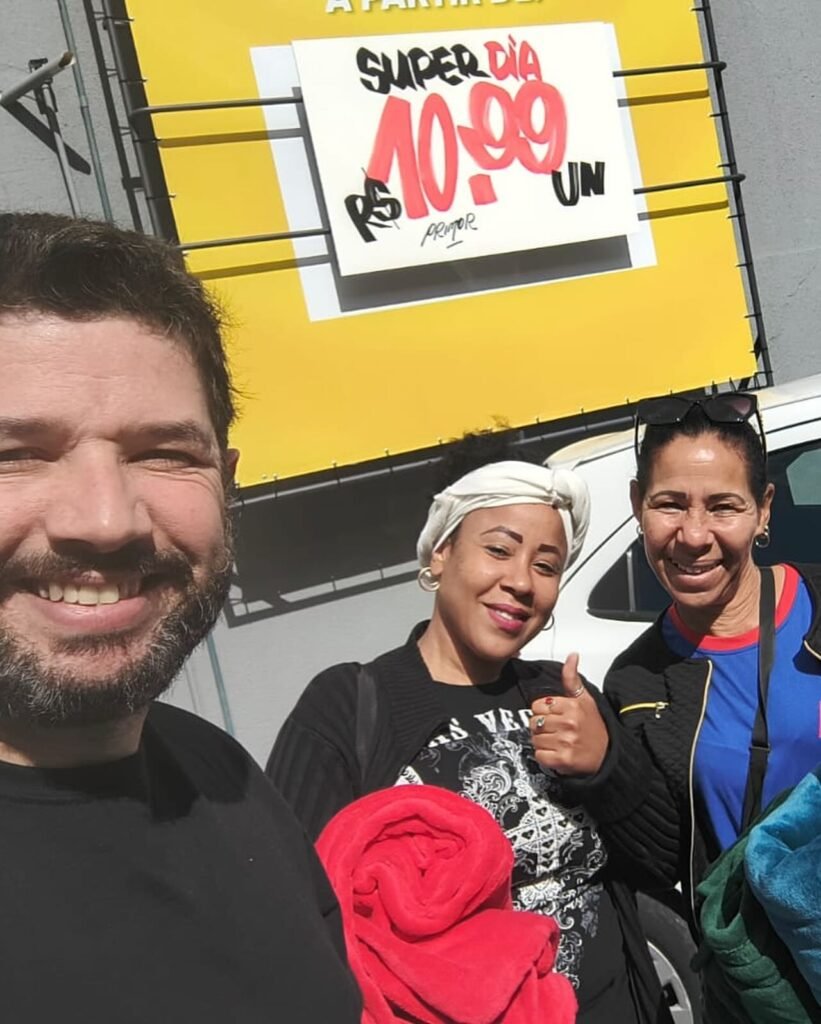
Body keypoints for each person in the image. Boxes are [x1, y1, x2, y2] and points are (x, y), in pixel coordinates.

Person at [0, 212, 361, 1024]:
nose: (106, 521)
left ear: (224, 483)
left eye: (164, 453)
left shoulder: (219, 770)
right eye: (15, 454)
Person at [268, 440, 670, 1024]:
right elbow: (294, 918)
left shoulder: (562, 693)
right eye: (499, 549)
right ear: (439, 553)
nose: (521, 582)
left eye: (546, 565)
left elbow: (664, 861)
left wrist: (609, 766)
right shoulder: (349, 707)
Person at [544, 393, 821, 946]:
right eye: (670, 504)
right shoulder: (637, 679)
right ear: (637, 505)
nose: (694, 535)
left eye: (723, 506)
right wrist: (606, 769)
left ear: (764, 509)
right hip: (765, 971)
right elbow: (665, 861)